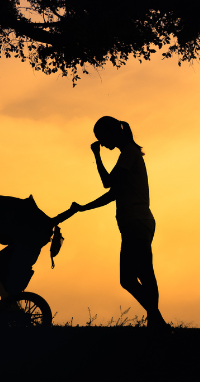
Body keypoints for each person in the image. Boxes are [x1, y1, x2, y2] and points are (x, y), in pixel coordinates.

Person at [70, 116, 169, 330]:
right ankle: (156, 319)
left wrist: (96, 156)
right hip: (134, 222)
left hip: (136, 221)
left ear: (112, 133)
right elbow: (114, 192)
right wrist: (83, 207)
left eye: (102, 138)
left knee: (142, 274)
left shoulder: (128, 154)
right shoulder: (128, 155)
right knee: (132, 277)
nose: (102, 143)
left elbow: (108, 184)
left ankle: (157, 321)